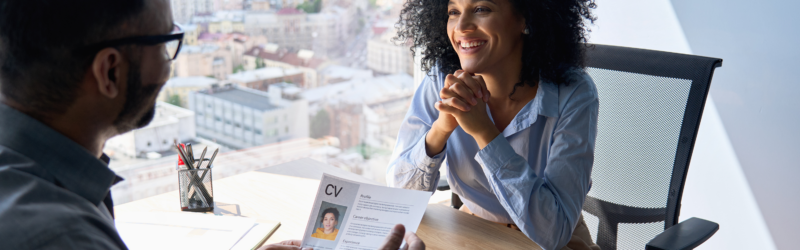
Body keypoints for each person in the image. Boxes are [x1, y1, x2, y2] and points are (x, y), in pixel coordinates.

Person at [0, 1, 424, 249]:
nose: (169, 66)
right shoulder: (61, 236)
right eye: (166, 44)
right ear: (109, 72)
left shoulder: (39, 179)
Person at [387, 0, 600, 249]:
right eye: (453, 12)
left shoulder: (573, 93)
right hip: (473, 230)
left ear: (525, 18)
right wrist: (441, 128)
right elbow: (400, 195)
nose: (462, 26)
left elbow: (554, 232)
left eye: (481, 9)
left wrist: (484, 131)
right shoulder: (441, 79)